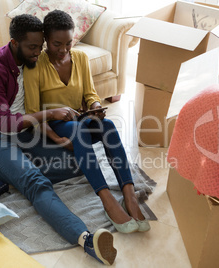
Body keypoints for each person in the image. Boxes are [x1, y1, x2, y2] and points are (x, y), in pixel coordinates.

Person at [0, 14, 117, 265]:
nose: (38, 53)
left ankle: (1, 179)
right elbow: (4, 123)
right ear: (14, 43)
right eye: (32, 48)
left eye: (40, 46)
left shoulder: (34, 61)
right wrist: (51, 113)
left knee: (80, 160)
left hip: (25, 132)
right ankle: (87, 239)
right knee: (35, 182)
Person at [23, 10, 150, 233]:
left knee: (108, 126)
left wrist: (95, 108)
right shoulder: (34, 67)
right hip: (57, 125)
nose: (63, 50)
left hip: (81, 119)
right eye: (56, 44)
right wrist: (58, 139)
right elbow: (33, 113)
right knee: (77, 130)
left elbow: (90, 94)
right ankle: (107, 199)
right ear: (46, 41)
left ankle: (129, 196)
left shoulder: (80, 58)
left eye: (68, 43)